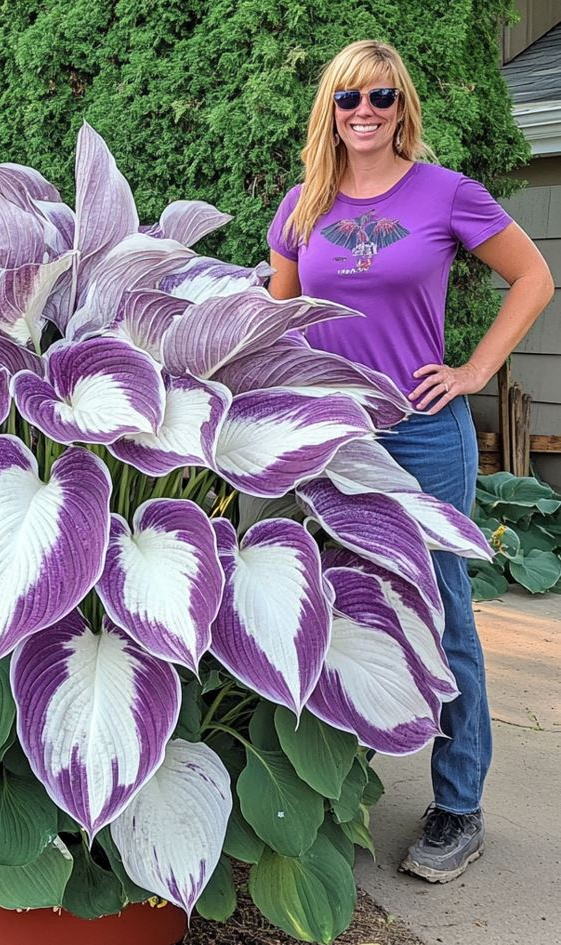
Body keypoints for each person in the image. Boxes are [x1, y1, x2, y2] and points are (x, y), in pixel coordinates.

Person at [266, 39, 553, 883]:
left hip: (423, 432)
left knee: (442, 607)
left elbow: (533, 276)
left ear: (403, 108)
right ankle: (339, 783)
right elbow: (277, 322)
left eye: (380, 97)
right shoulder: (303, 204)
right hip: (329, 435)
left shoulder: (444, 193)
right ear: (330, 108)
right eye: (347, 97)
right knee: (334, 602)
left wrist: (473, 370)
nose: (363, 111)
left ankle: (457, 806)